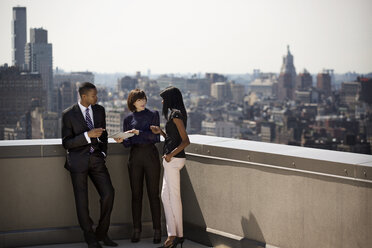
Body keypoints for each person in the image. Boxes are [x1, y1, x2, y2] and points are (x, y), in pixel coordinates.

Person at [62, 82, 117, 248]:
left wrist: (104, 152)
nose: (97, 98)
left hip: (97, 160)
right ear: (84, 96)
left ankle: (102, 232)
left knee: (109, 193)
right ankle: (90, 237)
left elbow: (104, 134)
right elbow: (66, 143)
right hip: (78, 163)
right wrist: (87, 135)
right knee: (82, 201)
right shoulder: (68, 114)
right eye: (94, 95)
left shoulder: (99, 110)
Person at [114, 89, 162, 244]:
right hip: (135, 157)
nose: (143, 102)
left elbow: (156, 137)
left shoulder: (153, 114)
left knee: (154, 195)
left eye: (144, 99)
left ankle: (157, 230)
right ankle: (136, 230)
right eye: (139, 100)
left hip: (151, 156)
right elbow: (128, 143)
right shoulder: (128, 118)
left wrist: (138, 132)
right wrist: (122, 140)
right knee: (136, 195)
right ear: (132, 102)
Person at [150, 86, 190, 248]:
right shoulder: (175, 114)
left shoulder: (176, 114)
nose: (162, 101)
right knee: (166, 197)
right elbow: (172, 139)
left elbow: (186, 141)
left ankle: (177, 236)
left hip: (174, 161)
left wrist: (170, 155)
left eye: (164, 98)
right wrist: (161, 132)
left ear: (170, 99)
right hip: (171, 161)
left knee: (173, 197)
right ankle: (173, 235)